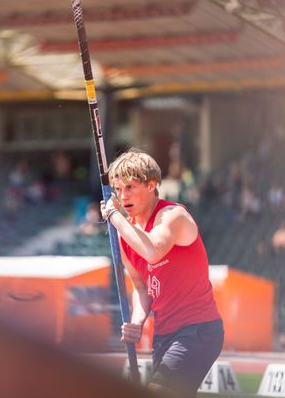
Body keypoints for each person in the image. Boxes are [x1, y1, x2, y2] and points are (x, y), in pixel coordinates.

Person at [100, 148, 224, 398]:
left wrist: (114, 216)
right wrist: (137, 321)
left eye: (130, 187)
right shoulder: (127, 235)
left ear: (151, 185)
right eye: (118, 189)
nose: (123, 196)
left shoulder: (172, 215)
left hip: (197, 329)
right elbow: (141, 287)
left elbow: (153, 251)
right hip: (164, 333)